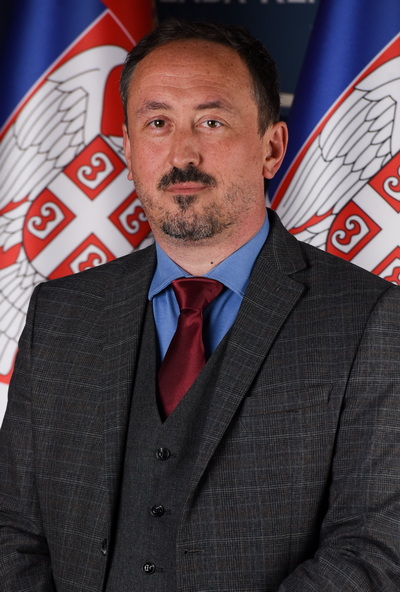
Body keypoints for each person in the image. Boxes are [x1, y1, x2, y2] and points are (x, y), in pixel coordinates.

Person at [1, 18, 400, 592]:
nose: (183, 152)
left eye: (212, 122)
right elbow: (12, 526)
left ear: (271, 149)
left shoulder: (369, 319)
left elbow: (375, 546)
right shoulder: (61, 314)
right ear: (129, 149)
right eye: (157, 123)